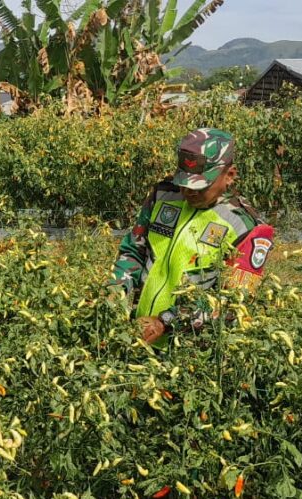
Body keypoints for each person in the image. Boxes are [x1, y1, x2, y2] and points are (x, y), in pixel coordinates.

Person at [111, 128, 275, 346]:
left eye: (200, 186)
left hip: (191, 354)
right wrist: (115, 291)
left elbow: (232, 302)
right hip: (137, 337)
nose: (189, 192)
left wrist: (165, 321)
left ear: (229, 176)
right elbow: (134, 251)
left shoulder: (246, 227)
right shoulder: (163, 195)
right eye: (184, 183)